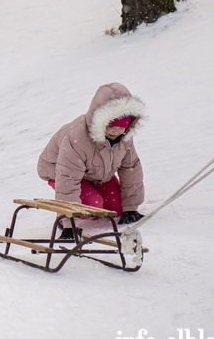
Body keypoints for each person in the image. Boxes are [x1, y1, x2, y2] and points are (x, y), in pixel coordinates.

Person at [37, 83, 147, 238]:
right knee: (92, 206)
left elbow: (131, 168)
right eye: (111, 126)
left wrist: (130, 208)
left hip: (93, 173)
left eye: (121, 126)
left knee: (116, 208)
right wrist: (69, 222)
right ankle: (66, 219)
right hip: (59, 170)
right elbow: (68, 179)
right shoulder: (77, 138)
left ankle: (107, 199)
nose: (116, 132)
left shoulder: (124, 138)